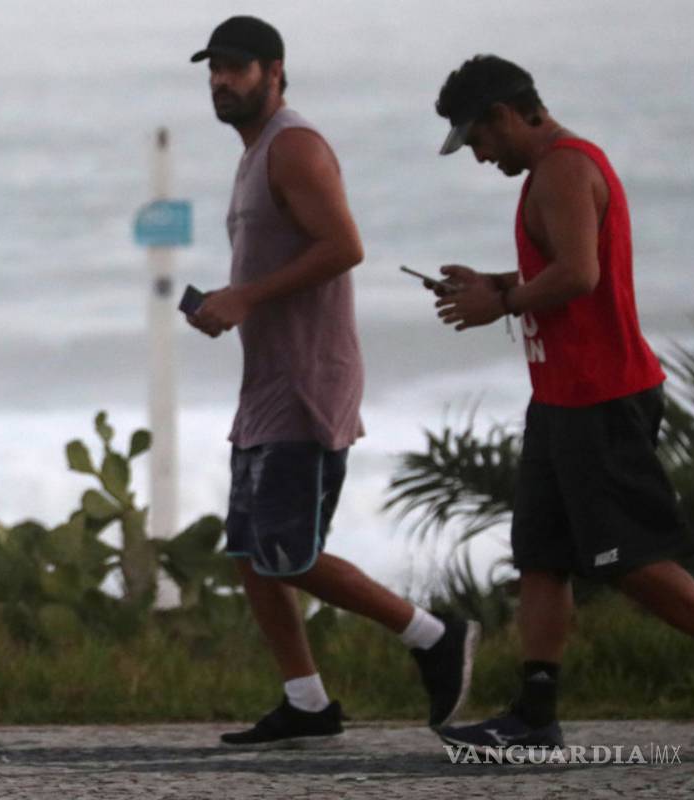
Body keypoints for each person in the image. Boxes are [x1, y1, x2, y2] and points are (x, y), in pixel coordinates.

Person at [187, 16, 480, 746]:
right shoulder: (256, 152)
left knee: (291, 554)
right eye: (215, 69)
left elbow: (344, 246)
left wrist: (246, 297)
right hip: (266, 385)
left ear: (275, 71)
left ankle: (433, 635)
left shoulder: (293, 145)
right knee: (251, 553)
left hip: (307, 384)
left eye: (238, 68)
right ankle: (308, 702)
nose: (222, 81)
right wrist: (231, 301)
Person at [430, 55, 694, 752]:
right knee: (542, 556)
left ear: (501, 116)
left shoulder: (561, 167)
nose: (480, 157)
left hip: (601, 394)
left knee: (631, 561)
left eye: (478, 141)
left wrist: (503, 302)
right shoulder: (554, 170)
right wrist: (498, 282)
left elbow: (580, 275)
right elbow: (561, 265)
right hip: (559, 397)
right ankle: (534, 713)